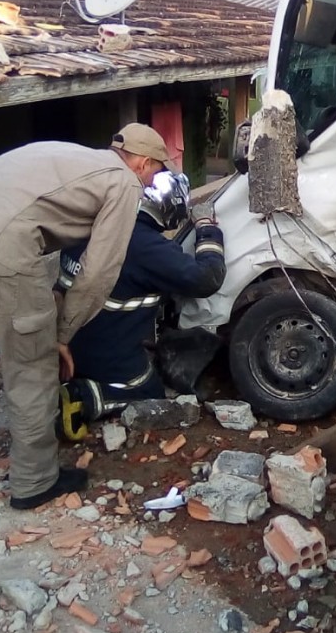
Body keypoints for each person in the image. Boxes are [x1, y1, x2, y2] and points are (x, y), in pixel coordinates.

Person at [0, 123, 174, 520]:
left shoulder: (66, 155)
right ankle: (34, 483)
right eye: (155, 173)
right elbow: (99, 271)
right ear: (143, 163)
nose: (152, 183)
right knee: (31, 368)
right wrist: (61, 334)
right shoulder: (124, 183)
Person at [55, 172, 225, 439]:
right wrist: (207, 228)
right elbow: (207, 279)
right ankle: (82, 398)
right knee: (148, 390)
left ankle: (66, 382)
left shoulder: (90, 224)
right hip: (101, 350)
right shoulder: (145, 245)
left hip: (64, 345)